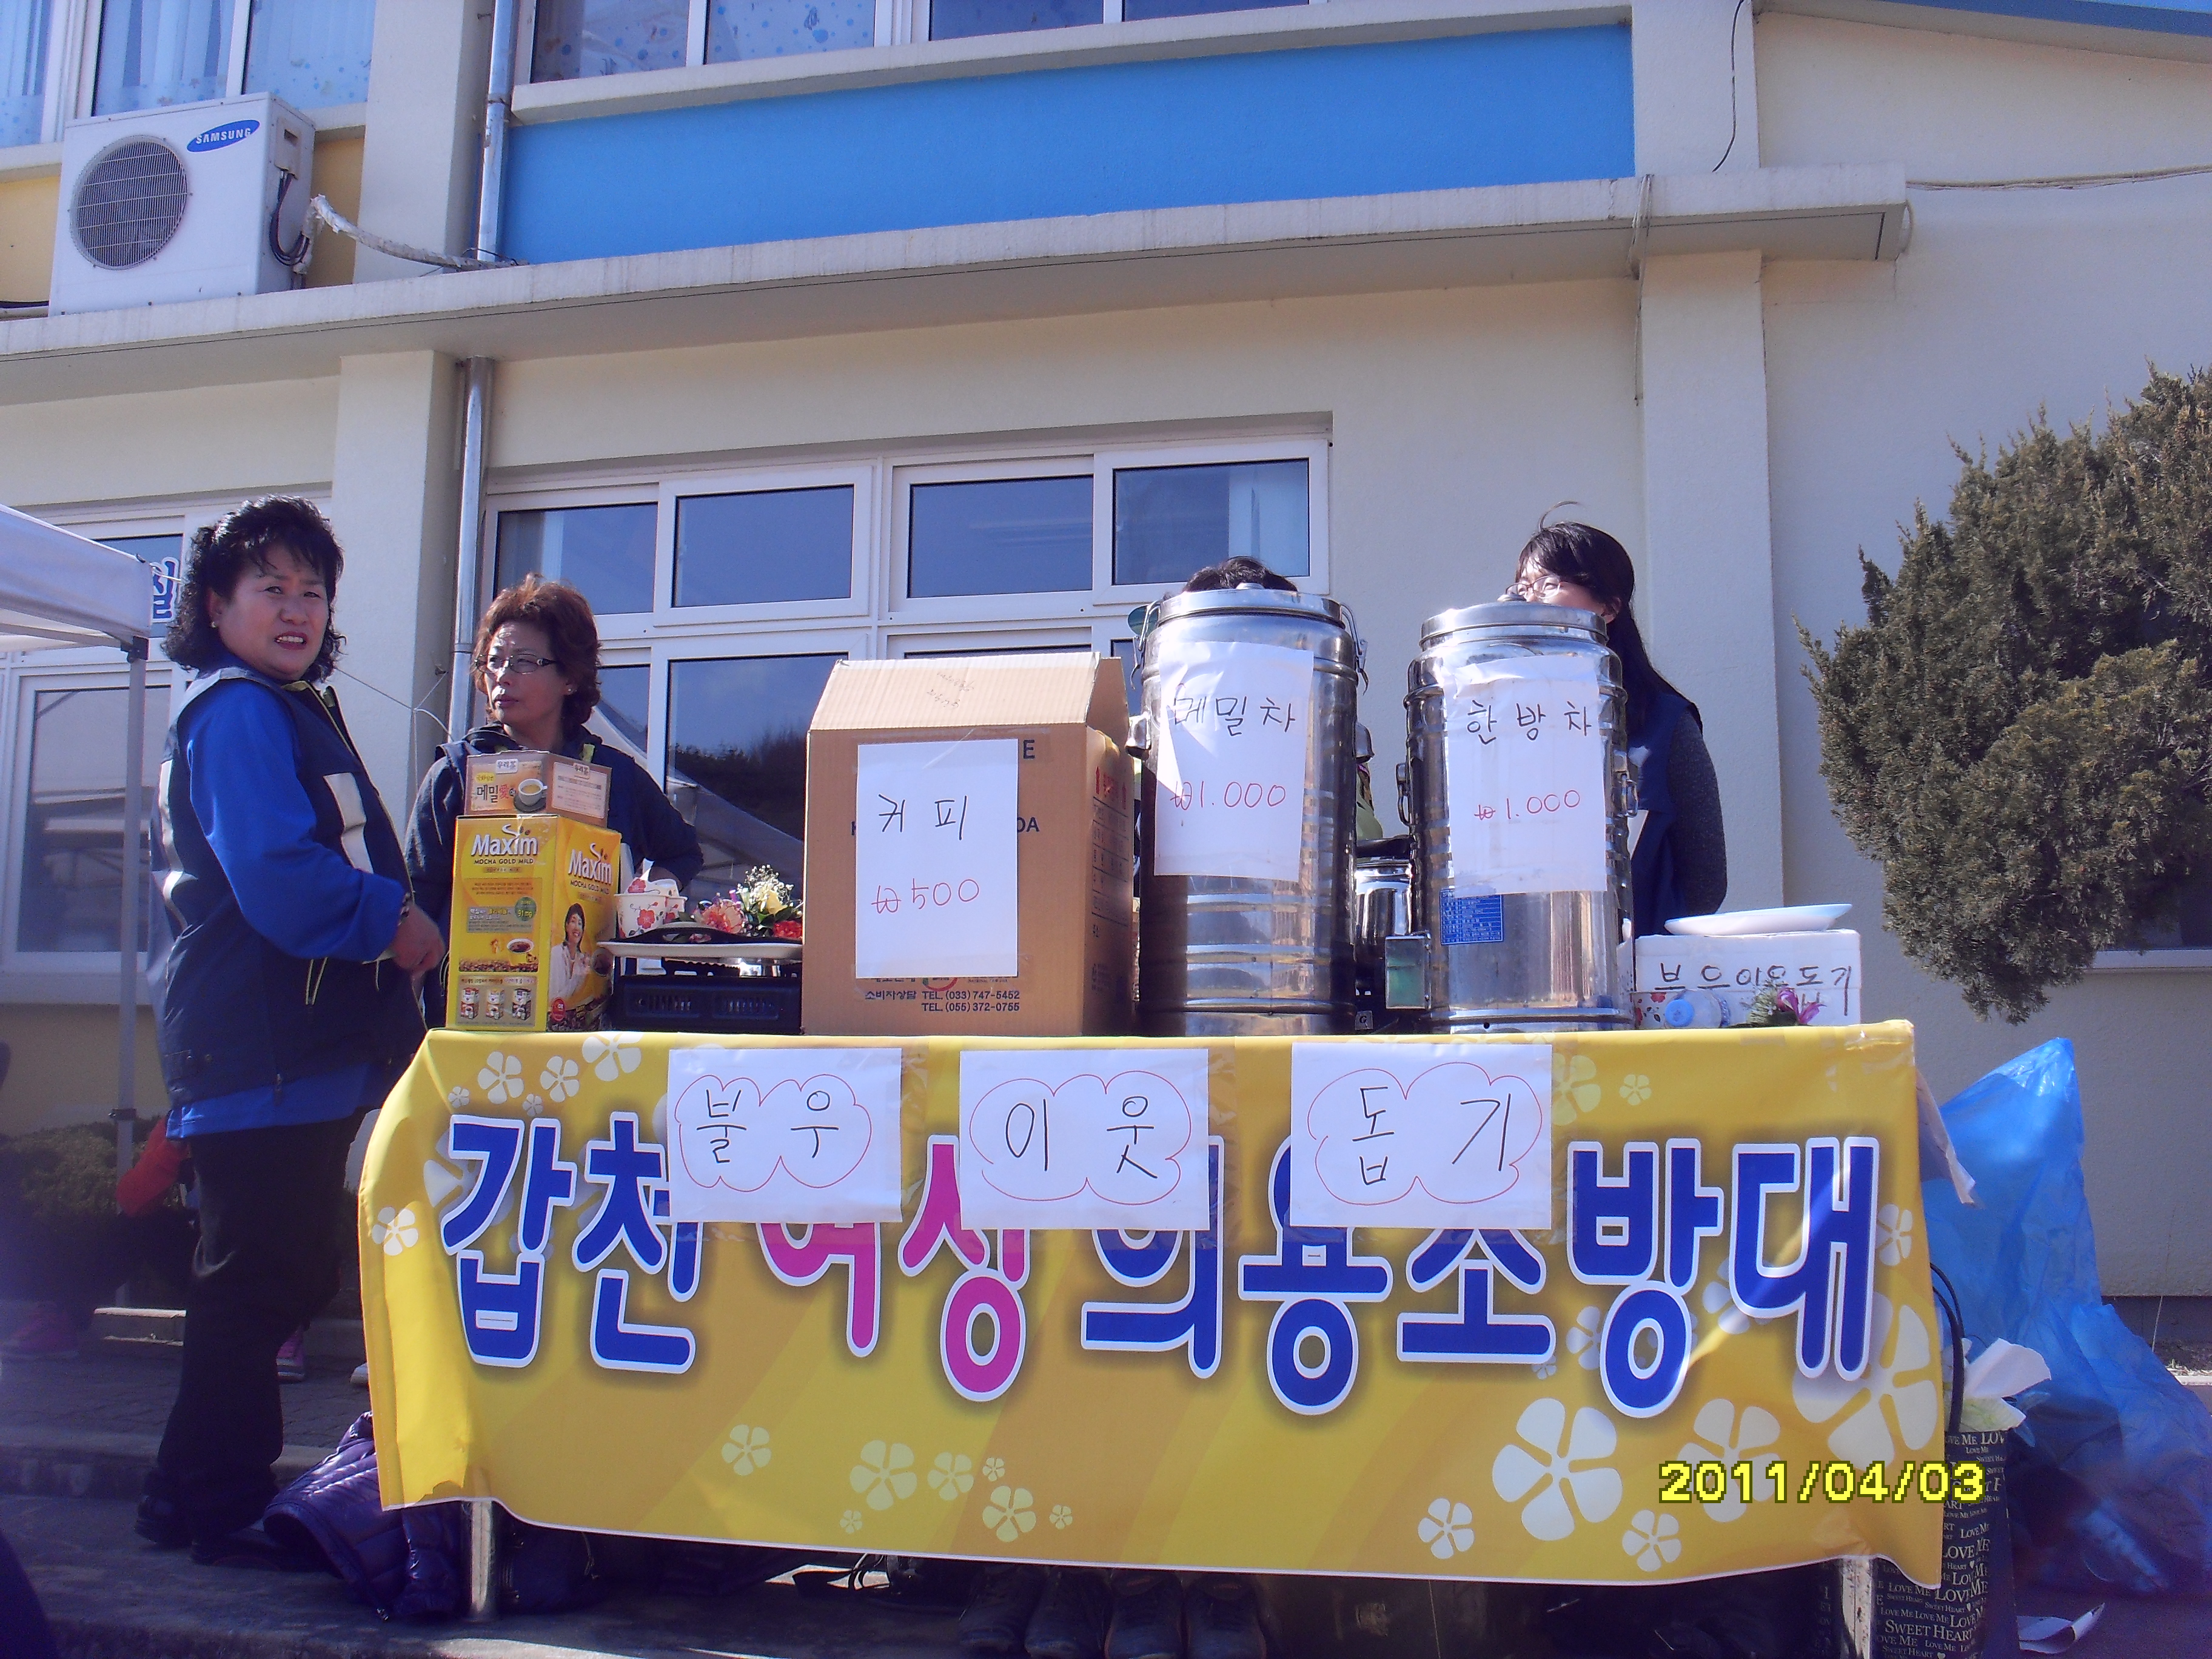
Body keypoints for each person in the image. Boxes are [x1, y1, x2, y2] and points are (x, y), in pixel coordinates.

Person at [141, 497, 442, 1566]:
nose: (297, 609)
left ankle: (185, 1494)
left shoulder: (278, 704)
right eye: (270, 587)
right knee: (257, 1281)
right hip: (259, 1045)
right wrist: (393, 921)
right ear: (215, 605)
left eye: (312, 590)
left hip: (287, 1047)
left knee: (274, 1273)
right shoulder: (237, 711)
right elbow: (276, 872)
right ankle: (211, 1504)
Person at [405, 577, 703, 1022]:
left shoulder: (615, 776)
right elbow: (416, 901)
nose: (503, 676)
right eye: (494, 661)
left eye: (525, 662)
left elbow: (683, 852)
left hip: (587, 1025)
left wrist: (643, 900)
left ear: (570, 678)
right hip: (470, 1018)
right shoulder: (456, 773)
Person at [1504, 520, 1726, 934]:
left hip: (1638, 958)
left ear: (1608, 607)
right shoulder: (1498, 723)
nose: (1530, 599)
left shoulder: (1664, 725)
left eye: (1548, 584)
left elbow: (1706, 882)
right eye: (1523, 587)